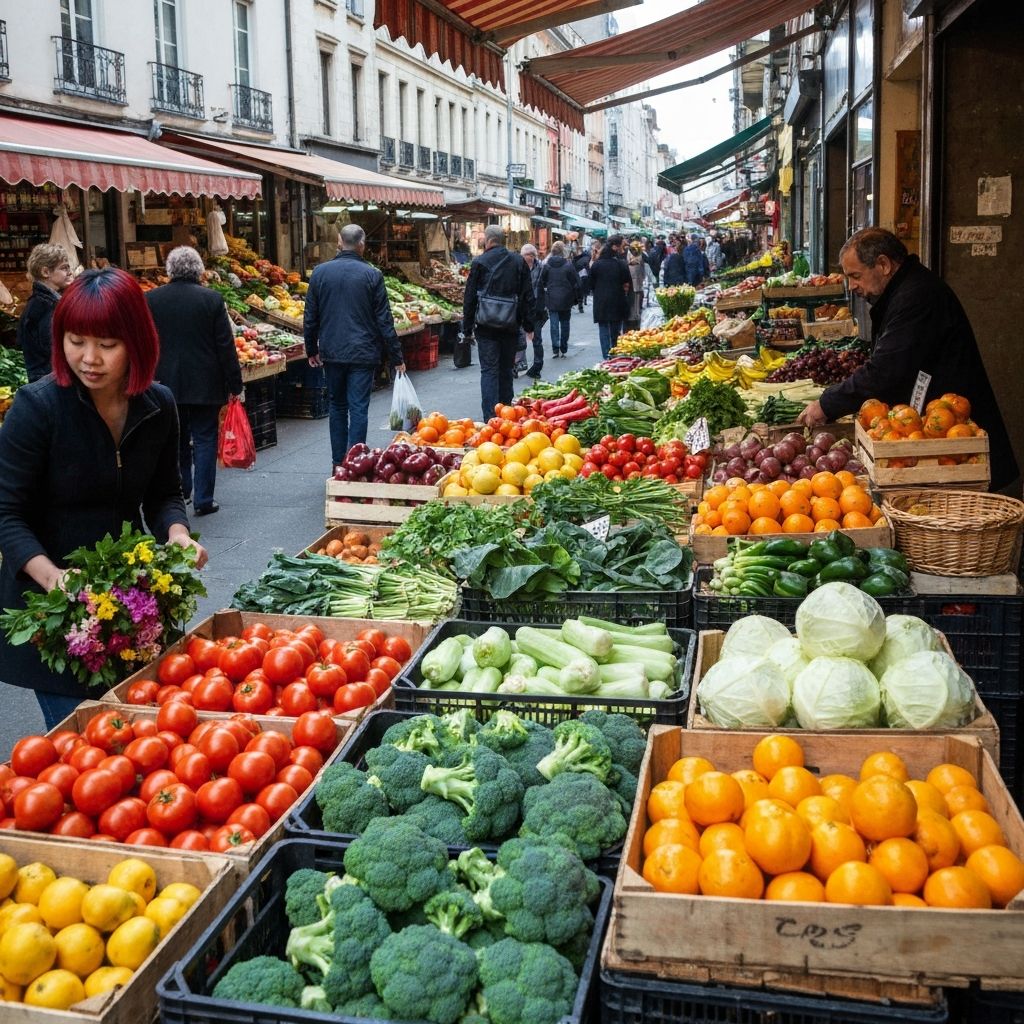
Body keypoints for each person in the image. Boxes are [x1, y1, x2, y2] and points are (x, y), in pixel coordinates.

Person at [0, 267, 206, 728]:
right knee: (90, 742)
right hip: (52, 613)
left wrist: (176, 534)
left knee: (144, 737)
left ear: (136, 342)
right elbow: (6, 514)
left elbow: (164, 492)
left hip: (129, 602)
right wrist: (54, 577)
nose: (89, 358)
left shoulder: (159, 405)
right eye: (76, 341)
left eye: (108, 345)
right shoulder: (36, 409)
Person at [799, 228, 1019, 491]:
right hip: (934, 434)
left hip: (959, 442)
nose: (852, 286)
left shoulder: (918, 297)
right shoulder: (904, 291)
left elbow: (885, 371)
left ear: (883, 264)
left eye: (856, 276)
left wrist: (827, 403)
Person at [147, 247, 243, 517]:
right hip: (205, 382)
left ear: (170, 270)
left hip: (165, 381)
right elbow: (225, 346)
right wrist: (235, 384)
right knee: (204, 439)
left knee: (176, 438)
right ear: (199, 270)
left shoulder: (152, 299)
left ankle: (182, 490)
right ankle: (204, 498)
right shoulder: (211, 299)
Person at [304, 224, 406, 468]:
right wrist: (396, 357)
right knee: (359, 407)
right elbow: (384, 320)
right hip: (363, 353)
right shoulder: (372, 275)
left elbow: (310, 316)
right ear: (362, 245)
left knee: (337, 406)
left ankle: (338, 462)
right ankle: (356, 462)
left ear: (339, 242)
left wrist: (311, 348)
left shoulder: (320, 273)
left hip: (332, 351)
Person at [462, 225, 535, 421]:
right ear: (503, 240)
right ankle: (506, 415)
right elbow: (528, 295)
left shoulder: (479, 262)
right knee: (506, 370)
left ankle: (490, 418)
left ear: (488, 240)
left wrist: (466, 330)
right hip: (510, 326)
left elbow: (469, 298)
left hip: (485, 328)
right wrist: (529, 326)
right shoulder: (518, 261)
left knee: (488, 371)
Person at [17, 244, 72, 382]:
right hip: (50, 382)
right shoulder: (45, 306)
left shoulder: (43, 302)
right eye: (64, 268)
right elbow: (56, 350)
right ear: (46, 272)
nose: (70, 272)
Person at [588, 234, 631, 359]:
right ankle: (614, 353)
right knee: (615, 330)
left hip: (601, 301)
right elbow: (626, 281)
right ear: (615, 248)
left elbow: (590, 284)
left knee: (603, 329)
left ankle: (606, 356)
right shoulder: (621, 264)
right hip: (617, 300)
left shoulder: (597, 265)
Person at [539, 240, 582, 363]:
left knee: (554, 324)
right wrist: (576, 297)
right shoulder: (568, 265)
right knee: (565, 323)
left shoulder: (547, 265)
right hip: (566, 298)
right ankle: (564, 347)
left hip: (551, 297)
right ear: (563, 251)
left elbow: (541, 282)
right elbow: (577, 282)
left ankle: (555, 348)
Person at [519, 243, 546, 377]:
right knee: (519, 337)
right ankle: (518, 363)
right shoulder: (518, 266)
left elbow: (544, 287)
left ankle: (537, 365)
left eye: (531, 255)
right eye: (526, 255)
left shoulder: (541, 267)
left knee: (537, 338)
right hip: (521, 306)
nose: (528, 258)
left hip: (535, 308)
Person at [575, 243, 598, 311]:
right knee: (585, 289)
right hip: (586, 276)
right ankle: (584, 299)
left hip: (579, 276)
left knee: (580, 290)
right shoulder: (589, 258)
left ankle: (580, 303)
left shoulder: (578, 259)